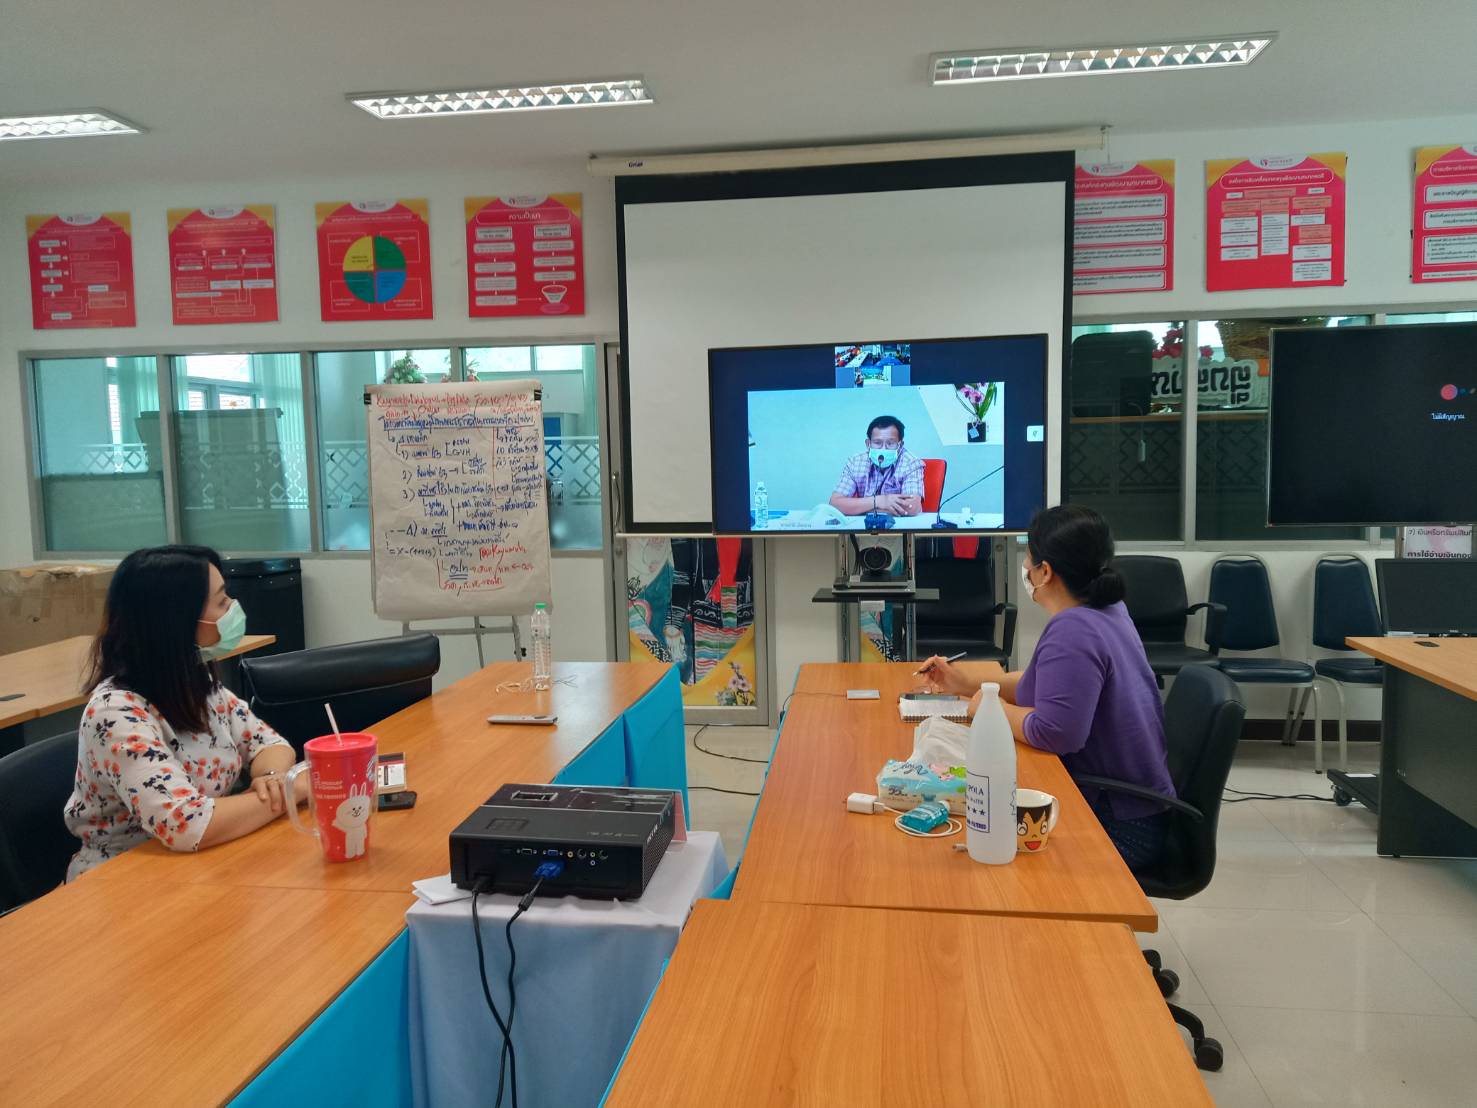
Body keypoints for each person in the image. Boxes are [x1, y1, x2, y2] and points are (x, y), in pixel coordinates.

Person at [919, 505, 1176, 871]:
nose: (1025, 569)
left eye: (1028, 559)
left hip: (1117, 823)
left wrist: (989, 707)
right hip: (1136, 808)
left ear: (1046, 571)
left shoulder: (1074, 629)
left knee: (963, 840)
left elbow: (1056, 733)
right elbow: (1045, 685)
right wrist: (965, 680)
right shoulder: (1107, 610)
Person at [63, 545, 300, 880]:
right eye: (221, 602)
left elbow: (269, 744)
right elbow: (186, 824)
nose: (232, 608)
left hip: (199, 865)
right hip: (125, 881)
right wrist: (294, 790)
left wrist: (272, 781)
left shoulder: (195, 682)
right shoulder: (115, 713)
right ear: (176, 621)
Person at [829, 415, 924, 517]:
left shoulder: (911, 463)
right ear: (868, 443)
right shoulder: (855, 462)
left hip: (900, 529)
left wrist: (860, 509)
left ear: (900, 445)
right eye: (877, 443)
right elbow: (835, 504)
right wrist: (879, 501)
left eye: (890, 443)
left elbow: (911, 508)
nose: (883, 449)